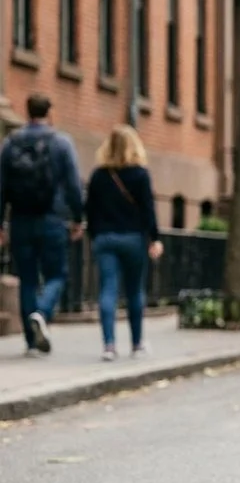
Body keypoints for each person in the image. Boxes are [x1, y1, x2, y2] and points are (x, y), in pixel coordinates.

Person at [0, 94, 85, 356]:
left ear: (27, 112)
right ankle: (43, 314)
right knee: (56, 275)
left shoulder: (10, 143)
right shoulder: (61, 143)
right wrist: (78, 217)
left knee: (26, 278)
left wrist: (1, 223)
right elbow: (73, 185)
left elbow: (1, 187)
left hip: (21, 220)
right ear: (49, 113)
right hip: (52, 219)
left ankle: (30, 341)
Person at [85, 125, 163, 361]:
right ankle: (137, 344)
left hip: (106, 239)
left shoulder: (99, 176)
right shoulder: (140, 174)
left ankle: (109, 345)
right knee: (134, 291)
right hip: (133, 239)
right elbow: (148, 209)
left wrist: (95, 235)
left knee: (107, 290)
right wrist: (155, 238)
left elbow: (89, 209)